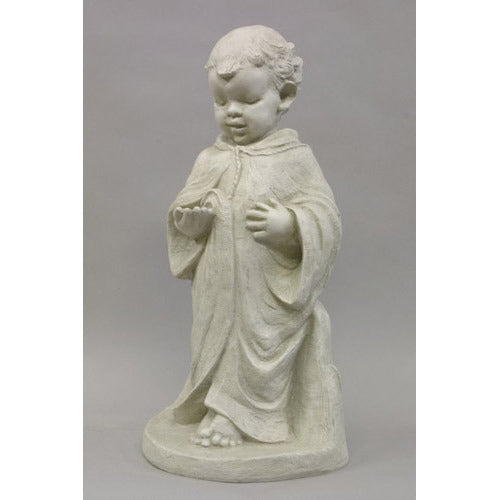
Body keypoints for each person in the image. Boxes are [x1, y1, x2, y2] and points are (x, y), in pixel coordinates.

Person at [167, 25, 344, 448]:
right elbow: (185, 209)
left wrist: (292, 226)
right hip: (216, 285)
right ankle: (216, 405)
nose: (232, 112)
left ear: (285, 96)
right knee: (215, 341)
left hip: (266, 289)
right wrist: (190, 225)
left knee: (259, 345)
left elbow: (327, 218)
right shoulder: (209, 159)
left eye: (248, 101)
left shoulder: (295, 160)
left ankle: (243, 416)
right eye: (220, 101)